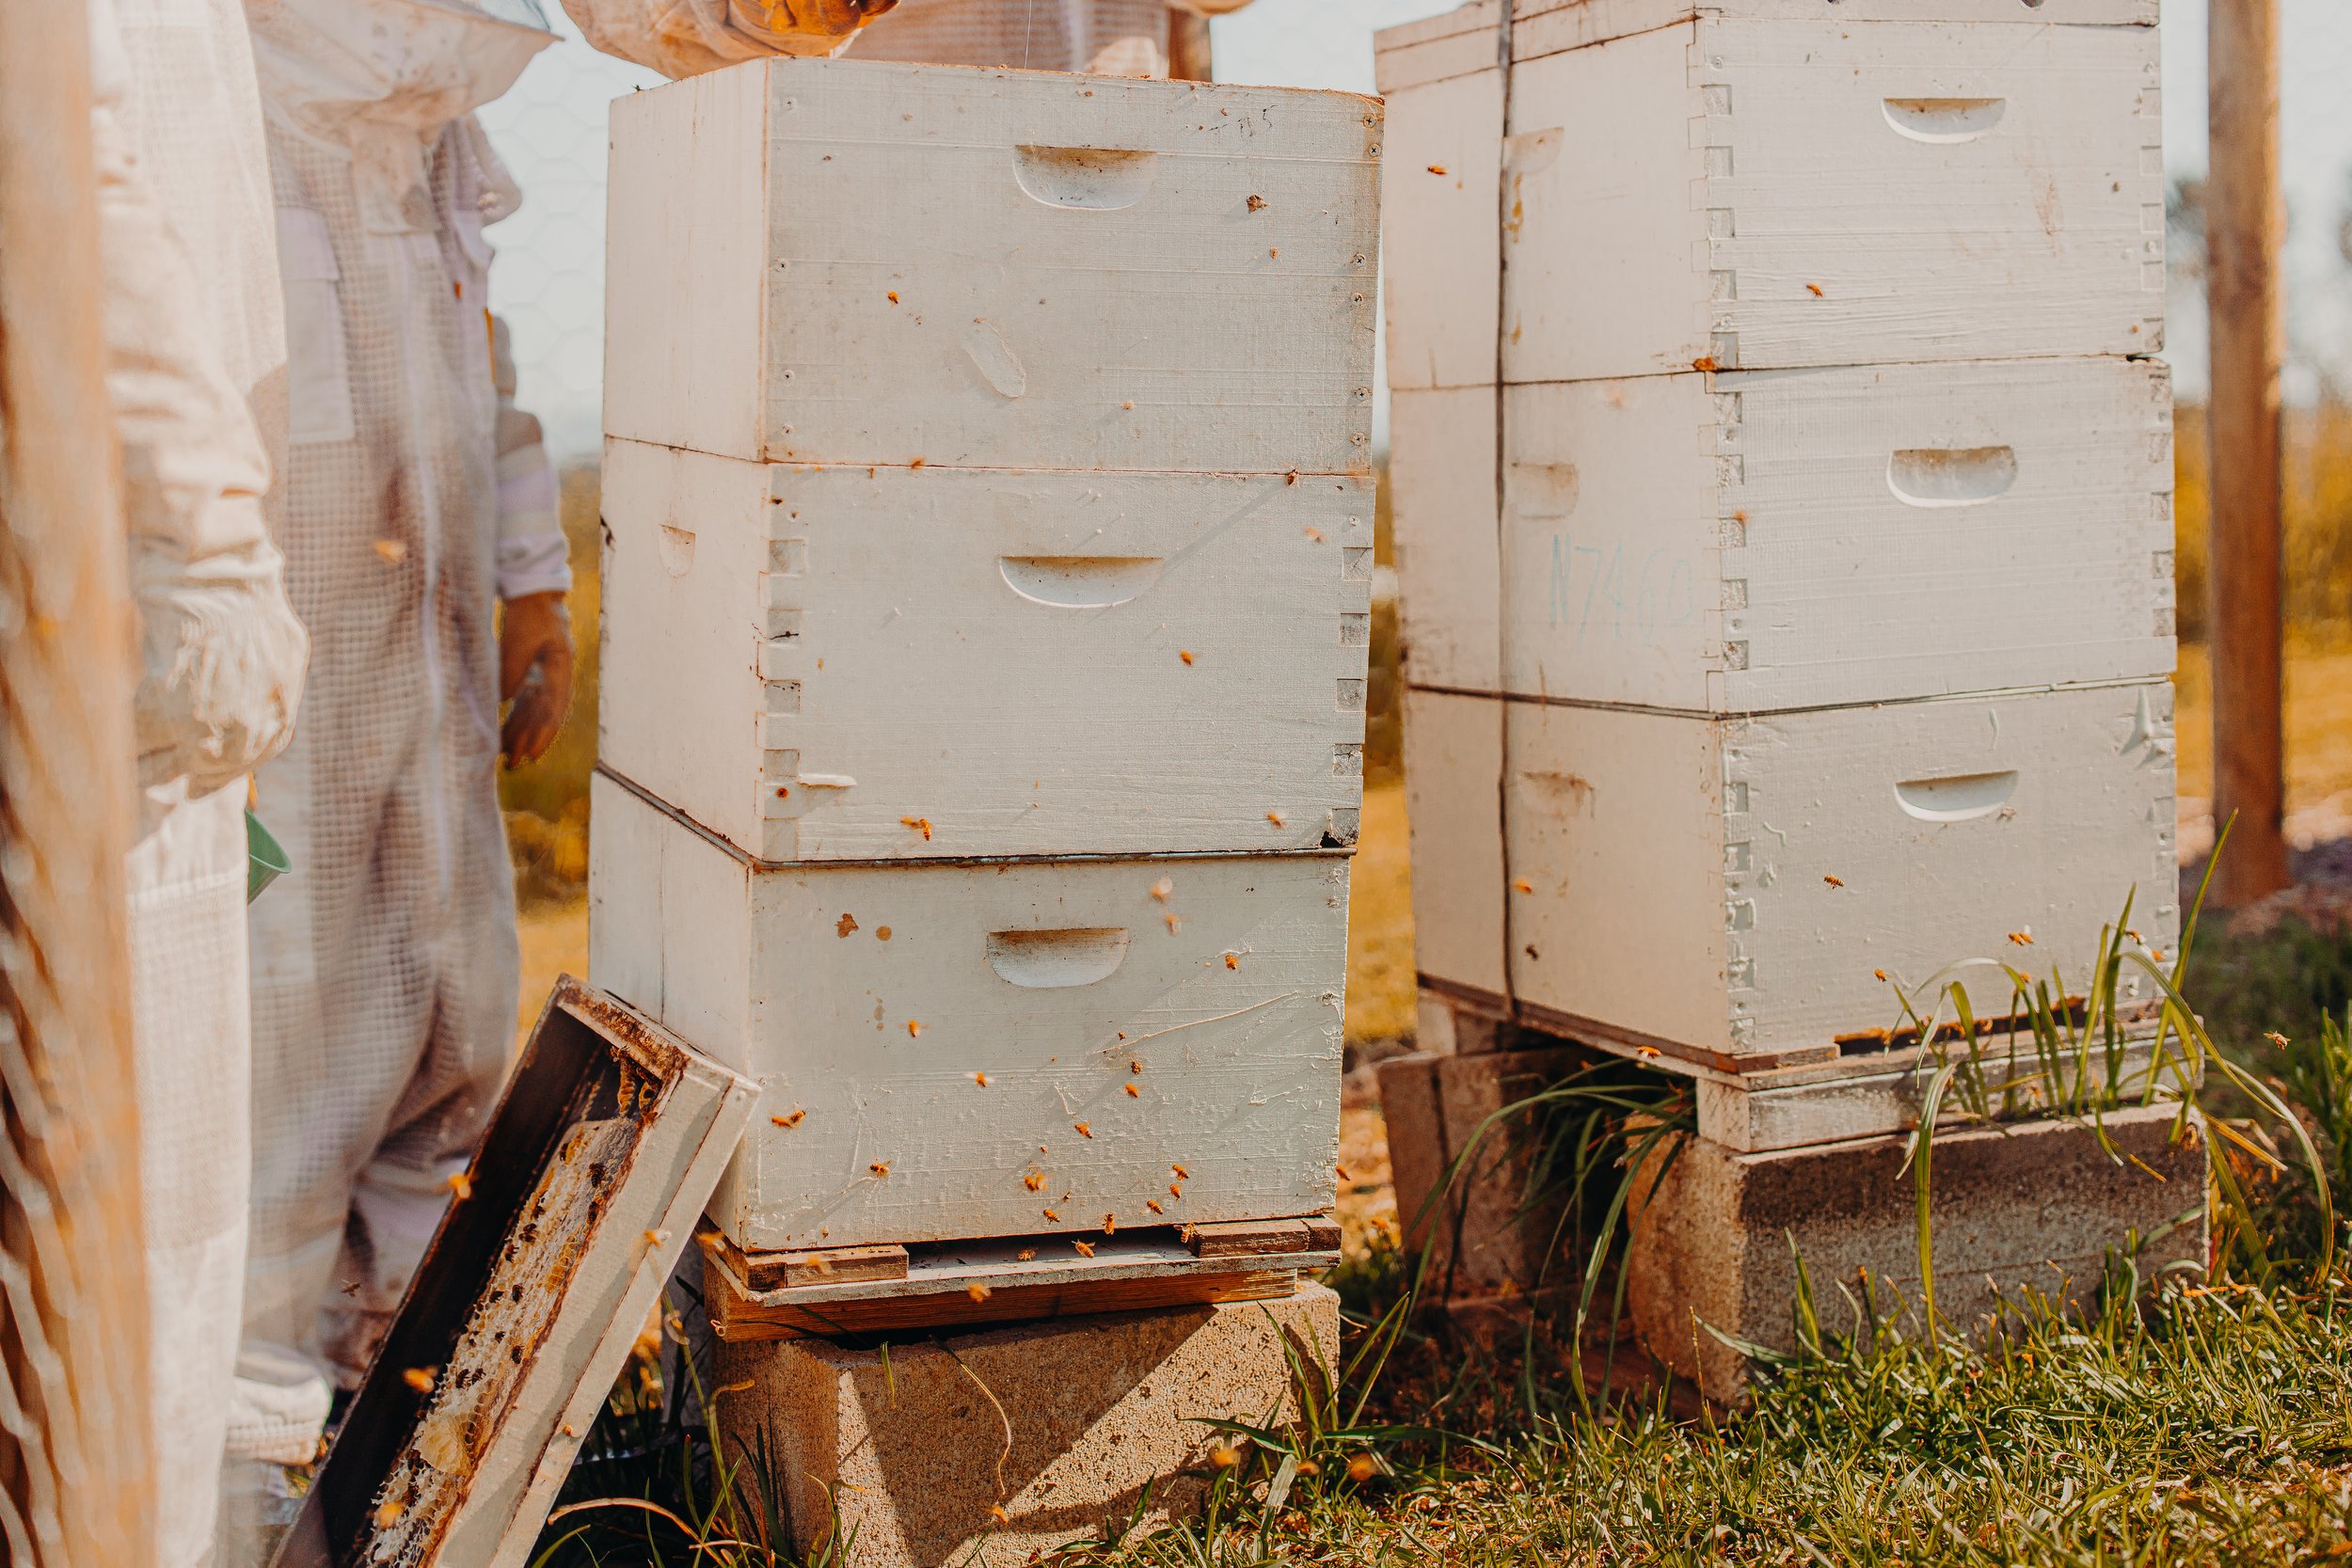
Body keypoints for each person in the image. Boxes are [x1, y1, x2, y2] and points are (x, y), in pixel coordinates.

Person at [227, 0, 895, 1473]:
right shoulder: (207, 145)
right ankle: (257, 1472)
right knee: (278, 1084)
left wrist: (534, 584)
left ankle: (417, 1428)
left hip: (427, 677)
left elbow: (486, 370)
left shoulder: (428, 150)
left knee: (451, 1030)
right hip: (270, 695)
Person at [85, 0, 311, 1560]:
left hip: (135, 577)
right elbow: (53, 145)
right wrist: (200, 540)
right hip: (103, 598)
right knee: (114, 1242)